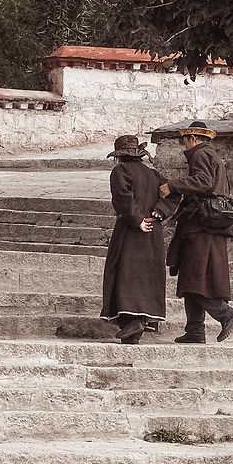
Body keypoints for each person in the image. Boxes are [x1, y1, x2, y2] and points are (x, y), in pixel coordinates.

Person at [166, 121, 233, 343]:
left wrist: (172, 186)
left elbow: (203, 183)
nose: (184, 146)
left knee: (194, 280)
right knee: (192, 282)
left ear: (193, 139)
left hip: (200, 229)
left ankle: (226, 314)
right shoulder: (213, 156)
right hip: (208, 228)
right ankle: (195, 331)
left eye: (185, 141)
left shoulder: (200, 155)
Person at [101, 134, 169, 344]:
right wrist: (160, 211)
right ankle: (137, 325)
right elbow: (172, 194)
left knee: (124, 273)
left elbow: (123, 197)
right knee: (146, 275)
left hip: (130, 230)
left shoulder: (119, 171)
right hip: (153, 231)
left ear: (119, 156)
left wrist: (137, 219)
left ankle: (131, 321)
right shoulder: (155, 175)